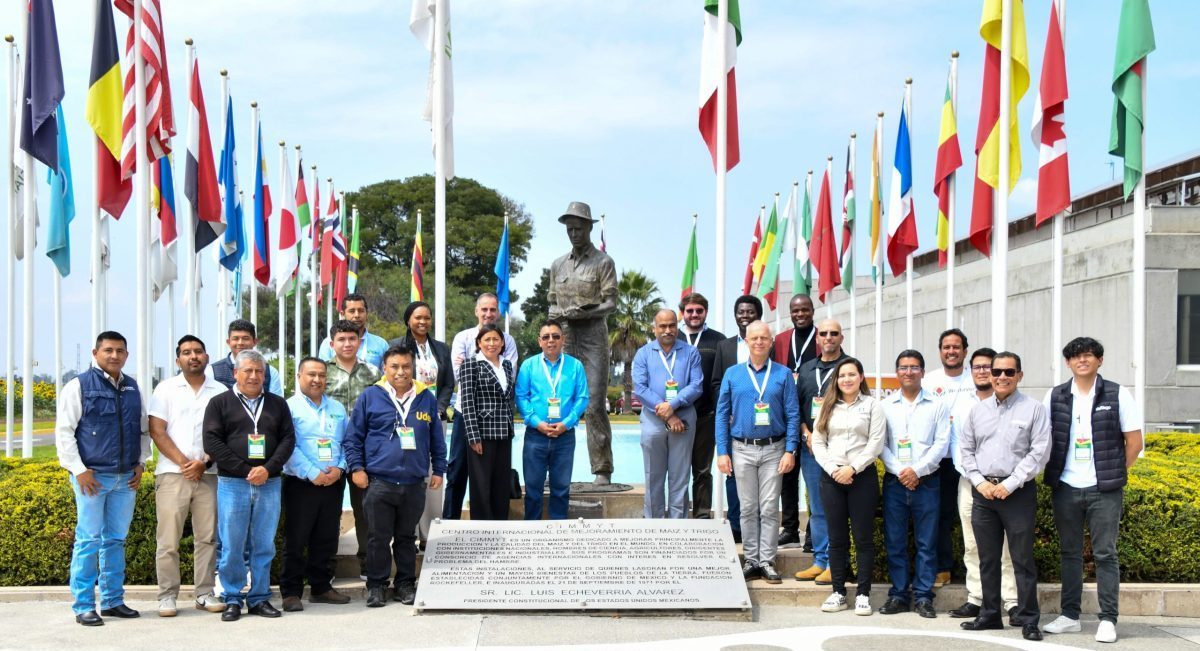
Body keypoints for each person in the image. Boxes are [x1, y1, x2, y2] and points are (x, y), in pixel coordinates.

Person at [1041, 337, 1143, 644]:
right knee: (1069, 553)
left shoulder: (1116, 393)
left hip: (1104, 489)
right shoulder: (1055, 395)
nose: (1082, 360)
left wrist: (1112, 473)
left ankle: (1108, 619)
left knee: (1105, 554)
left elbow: (1135, 442)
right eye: (1075, 356)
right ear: (1068, 363)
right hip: (1066, 486)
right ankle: (1070, 616)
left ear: (1099, 360)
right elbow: (1043, 440)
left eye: (1088, 355)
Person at [55, 331, 151, 626]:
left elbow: (143, 429)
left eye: (120, 350)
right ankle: (84, 604)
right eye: (108, 350)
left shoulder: (133, 388)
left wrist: (141, 463)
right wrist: (78, 469)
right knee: (88, 541)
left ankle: (112, 601)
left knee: (116, 541)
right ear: (95, 353)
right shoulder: (78, 386)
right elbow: (64, 432)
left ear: (126, 355)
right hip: (92, 479)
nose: (114, 355)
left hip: (126, 479)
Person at [959, 352, 1051, 642]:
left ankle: (1028, 619)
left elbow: (1040, 452)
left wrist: (1010, 484)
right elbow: (966, 450)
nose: (1001, 377)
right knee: (987, 558)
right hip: (984, 493)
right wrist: (979, 482)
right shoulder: (977, 411)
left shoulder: (1034, 409)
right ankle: (988, 615)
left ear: (1019, 376)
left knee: (1021, 559)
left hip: (1017, 494)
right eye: (997, 371)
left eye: (1008, 372)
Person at [345, 345, 447, 607]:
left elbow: (436, 437)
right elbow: (353, 437)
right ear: (384, 369)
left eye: (406, 367)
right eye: (395, 367)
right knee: (378, 537)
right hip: (379, 481)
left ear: (413, 368)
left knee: (406, 538)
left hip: (414, 482)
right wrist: (357, 468)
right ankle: (377, 586)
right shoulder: (370, 396)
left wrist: (440, 469)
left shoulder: (426, 397)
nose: (401, 372)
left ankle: (404, 584)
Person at [202, 350, 296, 622]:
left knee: (264, 544)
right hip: (233, 483)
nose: (254, 376)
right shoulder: (219, 403)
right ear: (235, 373)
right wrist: (246, 470)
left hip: (269, 483)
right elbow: (213, 442)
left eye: (259, 371)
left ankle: (259, 597)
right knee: (232, 544)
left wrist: (267, 469)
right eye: (248, 371)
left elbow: (288, 440)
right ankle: (232, 597)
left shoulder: (278, 404)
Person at [147, 335, 227, 617]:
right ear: (177, 358)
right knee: (168, 540)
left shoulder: (220, 391)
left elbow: (225, 435)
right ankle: (167, 595)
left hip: (209, 474)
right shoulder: (166, 389)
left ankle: (204, 593)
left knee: (207, 539)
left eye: (198, 351)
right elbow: (157, 430)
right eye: (186, 352)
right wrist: (185, 463)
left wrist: (203, 463)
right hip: (172, 474)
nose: (193, 356)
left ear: (206, 356)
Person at [715, 321, 799, 585]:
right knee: (748, 507)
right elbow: (721, 414)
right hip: (741, 448)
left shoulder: (783, 374)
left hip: (774, 449)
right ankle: (751, 559)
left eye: (764, 338)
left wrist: (790, 450)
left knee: (770, 508)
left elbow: (793, 414)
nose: (759, 342)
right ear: (747, 341)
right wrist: (722, 451)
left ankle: (767, 560)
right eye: (754, 338)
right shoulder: (733, 374)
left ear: (771, 341)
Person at [945, 348, 1022, 621]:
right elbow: (958, 446)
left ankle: (1011, 601)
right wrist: (975, 477)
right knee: (973, 544)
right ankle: (976, 598)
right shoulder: (962, 405)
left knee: (1006, 549)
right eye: (977, 367)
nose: (982, 371)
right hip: (969, 483)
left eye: (987, 366)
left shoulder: (1015, 404)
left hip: (1006, 487)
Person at [547, 201, 619, 485]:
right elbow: (552, 301)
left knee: (592, 405)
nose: (574, 233)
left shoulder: (603, 262)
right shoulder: (557, 265)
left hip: (593, 339)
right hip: (564, 336)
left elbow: (611, 302)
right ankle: (554, 471)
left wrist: (587, 311)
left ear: (589, 227)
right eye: (569, 229)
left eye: (578, 228)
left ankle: (602, 470)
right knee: (557, 402)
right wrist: (557, 316)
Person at [878, 350, 950, 619]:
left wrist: (917, 471)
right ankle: (898, 595)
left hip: (927, 482)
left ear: (923, 371)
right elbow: (881, 444)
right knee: (895, 541)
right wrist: (901, 471)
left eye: (914, 367)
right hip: (895, 483)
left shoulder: (938, 404)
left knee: (926, 542)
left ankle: (923, 596)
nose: (909, 372)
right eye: (904, 367)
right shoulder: (885, 406)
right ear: (897, 372)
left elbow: (942, 443)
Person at [812, 357, 885, 616]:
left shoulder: (872, 406)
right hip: (831, 479)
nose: (847, 379)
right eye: (842, 375)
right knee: (837, 539)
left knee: (863, 539)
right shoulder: (827, 406)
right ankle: (838, 592)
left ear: (861, 377)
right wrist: (834, 470)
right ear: (837, 379)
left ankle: (863, 594)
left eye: (852, 374)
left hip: (861, 478)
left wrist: (852, 469)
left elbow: (876, 442)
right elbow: (818, 442)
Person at [280, 358, 352, 612]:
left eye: (321, 375)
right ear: (299, 376)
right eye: (311, 374)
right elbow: (288, 445)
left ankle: (321, 587)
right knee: (296, 539)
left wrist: (340, 468)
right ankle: (291, 592)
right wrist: (312, 472)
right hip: (301, 483)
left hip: (333, 481)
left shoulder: (337, 407)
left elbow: (347, 442)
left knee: (326, 537)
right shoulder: (288, 408)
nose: (317, 380)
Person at [444, 293, 519, 519]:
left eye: (493, 310)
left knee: (495, 477)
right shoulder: (462, 337)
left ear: (498, 312)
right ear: (477, 311)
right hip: (465, 416)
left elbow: (509, 374)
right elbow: (460, 376)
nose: (488, 314)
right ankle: (450, 520)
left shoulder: (509, 341)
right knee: (457, 471)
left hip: (498, 424)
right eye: (484, 309)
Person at [388, 301, 453, 542]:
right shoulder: (396, 346)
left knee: (434, 473)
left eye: (427, 317)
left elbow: (447, 384)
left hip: (434, 418)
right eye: (418, 317)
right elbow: (391, 379)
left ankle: (430, 534)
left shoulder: (441, 349)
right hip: (406, 419)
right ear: (408, 320)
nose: (423, 322)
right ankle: (407, 534)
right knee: (407, 472)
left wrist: (439, 408)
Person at [633, 309, 705, 518]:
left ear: (677, 326)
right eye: (662, 326)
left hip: (684, 420)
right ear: (654, 328)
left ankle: (678, 527)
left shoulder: (690, 353)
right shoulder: (643, 354)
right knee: (653, 477)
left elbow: (696, 385)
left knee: (680, 477)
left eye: (671, 325)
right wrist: (667, 412)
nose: (667, 330)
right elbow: (640, 388)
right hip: (653, 420)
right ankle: (654, 526)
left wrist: (672, 405)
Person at [324, 319, 382, 579]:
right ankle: (326, 569)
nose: (347, 343)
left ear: (360, 342)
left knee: (367, 512)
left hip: (364, 452)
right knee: (328, 512)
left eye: (352, 339)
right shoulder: (321, 372)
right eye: (342, 339)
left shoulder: (373, 373)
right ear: (332, 343)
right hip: (329, 452)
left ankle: (369, 567)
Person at [794, 319, 850, 584]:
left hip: (839, 450)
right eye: (824, 333)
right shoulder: (806, 369)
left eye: (834, 333)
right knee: (816, 508)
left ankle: (835, 562)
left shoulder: (849, 368)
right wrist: (807, 434)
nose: (828, 337)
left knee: (836, 508)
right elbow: (797, 408)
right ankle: (820, 560)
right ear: (818, 338)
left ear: (842, 337)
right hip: (811, 449)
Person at [515, 319, 589, 519]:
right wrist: (536, 423)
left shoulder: (575, 366)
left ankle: (558, 535)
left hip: (564, 436)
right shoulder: (529, 366)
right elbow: (521, 397)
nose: (551, 341)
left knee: (561, 489)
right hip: (535, 436)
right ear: (539, 341)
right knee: (532, 490)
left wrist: (566, 423)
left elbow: (582, 398)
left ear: (563, 339)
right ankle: (532, 533)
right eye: (546, 337)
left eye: (556, 336)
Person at [710, 294, 765, 542]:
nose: (745, 316)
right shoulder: (725, 346)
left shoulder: (766, 344)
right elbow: (715, 383)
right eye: (741, 312)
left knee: (763, 483)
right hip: (734, 423)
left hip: (764, 425)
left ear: (758, 315)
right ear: (735, 316)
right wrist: (727, 408)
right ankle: (736, 527)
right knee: (733, 476)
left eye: (750, 312)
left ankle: (760, 527)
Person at [924, 328, 974, 588]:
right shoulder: (929, 381)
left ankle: (976, 571)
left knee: (973, 517)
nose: (951, 351)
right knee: (941, 515)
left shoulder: (975, 379)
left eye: (956, 347)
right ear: (940, 351)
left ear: (965, 351)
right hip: (939, 460)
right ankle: (943, 567)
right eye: (946, 347)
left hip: (971, 461)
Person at [771, 294, 818, 547]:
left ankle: (812, 530)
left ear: (812, 311)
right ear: (790, 312)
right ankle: (789, 528)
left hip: (814, 422)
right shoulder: (779, 340)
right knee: (788, 477)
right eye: (795, 310)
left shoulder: (823, 338)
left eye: (805, 310)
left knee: (814, 479)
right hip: (785, 418)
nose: (800, 314)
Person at [459, 324, 517, 520]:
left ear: (502, 343)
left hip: (504, 431)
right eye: (487, 340)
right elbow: (467, 401)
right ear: (479, 343)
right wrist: (473, 436)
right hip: (482, 433)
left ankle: (500, 524)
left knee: (501, 483)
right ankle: (482, 528)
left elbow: (508, 397)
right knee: (481, 484)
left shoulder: (507, 365)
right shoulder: (470, 364)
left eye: (496, 339)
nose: (492, 344)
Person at [677, 293, 726, 520]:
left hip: (706, 415)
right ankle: (678, 516)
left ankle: (702, 517)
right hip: (677, 416)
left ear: (706, 312)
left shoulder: (718, 340)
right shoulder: (672, 337)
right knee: (678, 470)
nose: (694, 314)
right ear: (683, 313)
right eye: (689, 311)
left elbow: (722, 380)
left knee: (703, 471)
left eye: (699, 310)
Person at [208, 319, 284, 396]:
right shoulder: (212, 371)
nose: (240, 343)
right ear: (228, 342)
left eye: (245, 338)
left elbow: (276, 404)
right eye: (235, 338)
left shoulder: (270, 372)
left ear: (255, 342)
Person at [317, 293, 390, 368]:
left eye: (361, 311)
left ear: (366, 314)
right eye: (352, 311)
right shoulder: (328, 343)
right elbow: (322, 373)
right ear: (342, 314)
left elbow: (386, 375)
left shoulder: (381, 344)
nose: (357, 315)